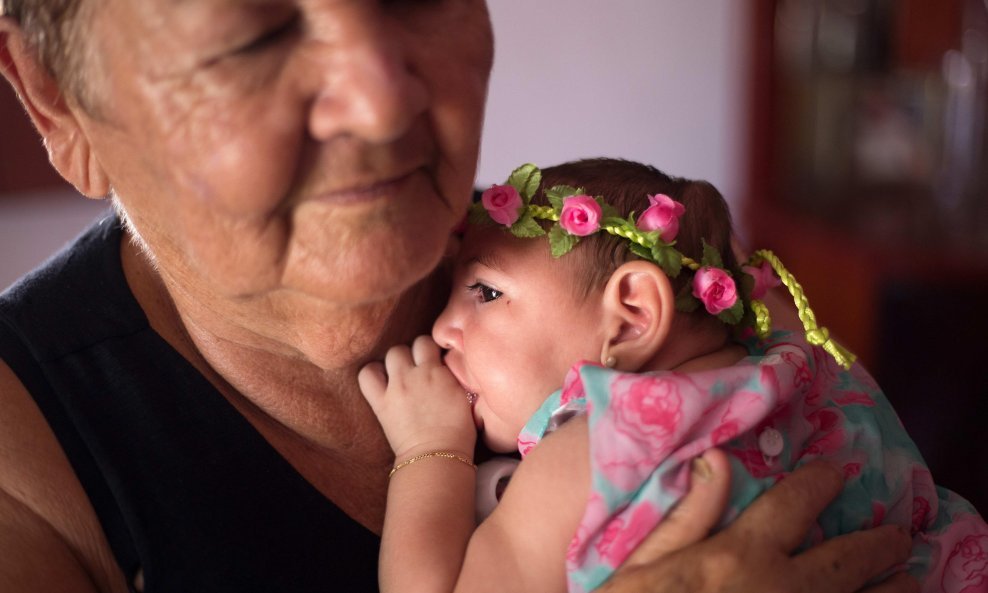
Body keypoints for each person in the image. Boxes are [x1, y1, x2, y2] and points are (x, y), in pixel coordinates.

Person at [0, 1, 917, 591]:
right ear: (56, 105)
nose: (381, 100)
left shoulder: (575, 279)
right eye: (249, 33)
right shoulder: (28, 470)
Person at [359, 159, 988, 593]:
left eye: (485, 292)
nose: (442, 329)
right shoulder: (818, 366)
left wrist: (429, 447)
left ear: (633, 315)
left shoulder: (595, 451)